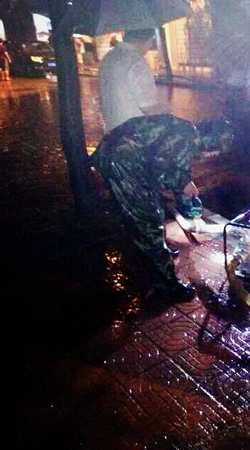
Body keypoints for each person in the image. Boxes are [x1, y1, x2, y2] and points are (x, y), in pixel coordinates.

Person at [95, 28, 233, 300]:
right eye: (213, 150)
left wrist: (183, 183)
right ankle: (166, 285)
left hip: (121, 149)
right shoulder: (185, 139)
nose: (209, 156)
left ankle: (152, 257)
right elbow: (178, 180)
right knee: (148, 221)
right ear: (209, 142)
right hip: (124, 163)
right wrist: (186, 188)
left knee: (151, 212)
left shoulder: (184, 130)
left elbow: (171, 170)